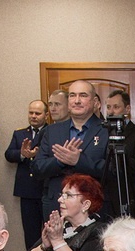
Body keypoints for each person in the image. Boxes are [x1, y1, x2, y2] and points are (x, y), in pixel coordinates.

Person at [33, 80, 108, 227]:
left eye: (83, 95)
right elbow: (37, 169)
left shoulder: (107, 131)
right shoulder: (51, 131)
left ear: (94, 102)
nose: (77, 101)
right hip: (56, 208)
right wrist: (60, 161)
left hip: (95, 209)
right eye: (73, 96)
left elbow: (113, 171)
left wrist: (79, 160)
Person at [26, 174, 108, 251]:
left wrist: (57, 241)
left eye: (68, 195)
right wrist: (45, 246)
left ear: (85, 205)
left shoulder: (99, 232)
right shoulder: (60, 227)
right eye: (62, 194)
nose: (60, 199)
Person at [102, 89, 135, 219]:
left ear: (127, 109)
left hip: (132, 198)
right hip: (107, 200)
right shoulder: (102, 133)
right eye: (108, 107)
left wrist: (120, 153)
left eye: (116, 107)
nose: (111, 111)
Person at [5, 100, 48, 249]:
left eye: (38, 113)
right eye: (31, 113)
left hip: (45, 188)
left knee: (50, 232)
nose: (34, 116)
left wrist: (39, 154)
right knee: (30, 233)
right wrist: (22, 155)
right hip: (27, 190)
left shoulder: (51, 131)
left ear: (46, 115)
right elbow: (8, 154)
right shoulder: (20, 134)